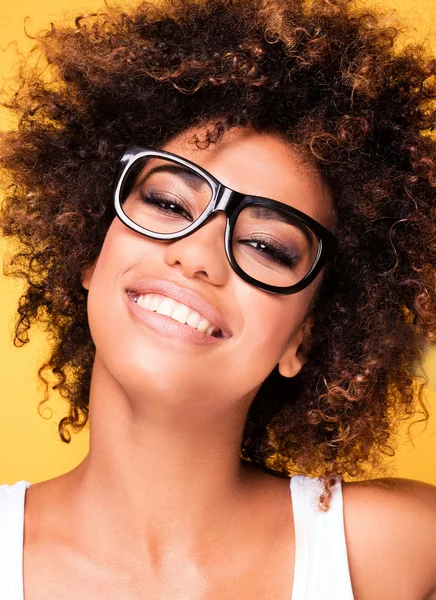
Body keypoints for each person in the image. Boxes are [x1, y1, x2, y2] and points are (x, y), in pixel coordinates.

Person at [0, 0, 435, 597]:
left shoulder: (397, 550)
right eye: (170, 205)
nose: (197, 255)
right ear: (90, 252)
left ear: (304, 337)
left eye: (265, 245)